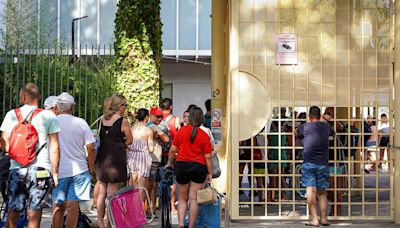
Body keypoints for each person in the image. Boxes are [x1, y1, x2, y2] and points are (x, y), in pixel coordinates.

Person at [0, 83, 61, 228]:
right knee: (35, 210)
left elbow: (4, 144)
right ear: (39, 97)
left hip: (17, 169)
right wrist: (56, 172)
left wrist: (16, 151)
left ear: (22, 97)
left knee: (14, 208)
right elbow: (55, 147)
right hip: (41, 170)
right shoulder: (48, 115)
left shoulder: (11, 115)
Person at [51, 92, 96, 228]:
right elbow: (91, 148)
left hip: (58, 171)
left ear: (57, 107)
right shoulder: (81, 123)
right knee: (73, 207)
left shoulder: (52, 123)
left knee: (58, 206)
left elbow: (52, 148)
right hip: (80, 170)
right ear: (72, 108)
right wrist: (91, 167)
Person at [165, 107, 212, 228]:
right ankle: (191, 226)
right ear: (201, 119)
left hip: (182, 166)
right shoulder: (204, 135)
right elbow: (208, 157)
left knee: (182, 198)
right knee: (194, 199)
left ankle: (180, 223)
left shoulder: (181, 132)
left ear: (190, 118)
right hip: (199, 167)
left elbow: (172, 150)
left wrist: (170, 162)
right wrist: (210, 173)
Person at [95, 94, 133, 228]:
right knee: (112, 192)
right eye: (125, 105)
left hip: (102, 158)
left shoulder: (102, 119)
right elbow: (129, 140)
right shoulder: (122, 121)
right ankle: (110, 221)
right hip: (115, 159)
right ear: (120, 106)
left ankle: (100, 221)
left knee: (102, 191)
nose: (125, 108)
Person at [296, 106, 333, 226]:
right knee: (322, 192)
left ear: (309, 116)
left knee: (311, 192)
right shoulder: (326, 126)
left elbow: (295, 132)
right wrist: (327, 120)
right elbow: (334, 132)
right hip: (323, 163)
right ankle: (323, 219)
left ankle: (314, 220)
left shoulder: (304, 127)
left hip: (309, 163)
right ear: (320, 116)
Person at [128, 109, 154, 202]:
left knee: (132, 184)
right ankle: (140, 210)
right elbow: (151, 149)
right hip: (143, 158)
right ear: (146, 117)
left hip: (132, 157)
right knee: (142, 187)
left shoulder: (131, 129)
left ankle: (131, 210)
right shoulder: (148, 130)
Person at [146, 107, 170, 214]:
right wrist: (160, 135)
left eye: (161, 116)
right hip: (153, 159)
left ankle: (147, 209)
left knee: (147, 185)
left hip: (145, 159)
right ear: (151, 116)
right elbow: (166, 139)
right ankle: (150, 210)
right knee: (152, 186)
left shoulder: (143, 127)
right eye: (157, 116)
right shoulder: (154, 126)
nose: (160, 118)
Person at [160, 98, 181, 214]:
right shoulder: (175, 119)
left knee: (159, 180)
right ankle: (172, 206)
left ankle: (159, 204)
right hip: (172, 153)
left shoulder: (157, 119)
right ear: (171, 107)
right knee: (172, 180)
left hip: (159, 154)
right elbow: (178, 134)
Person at [92, 97, 111, 210]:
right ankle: (96, 202)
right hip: (104, 153)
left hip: (101, 152)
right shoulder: (107, 119)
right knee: (101, 181)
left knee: (101, 180)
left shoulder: (102, 118)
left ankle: (96, 202)